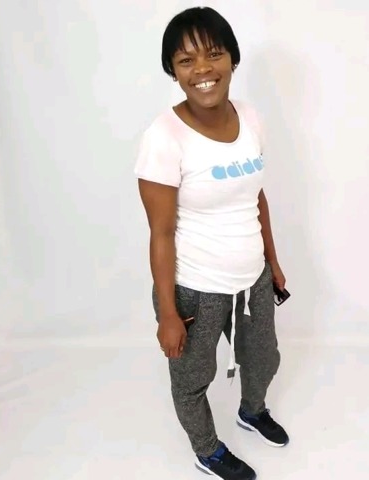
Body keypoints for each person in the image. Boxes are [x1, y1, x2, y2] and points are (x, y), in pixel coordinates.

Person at [134, 7, 289, 480]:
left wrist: (272, 262)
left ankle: (251, 410)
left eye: (214, 54)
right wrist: (167, 313)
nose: (203, 69)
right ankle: (207, 451)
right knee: (192, 379)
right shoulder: (164, 137)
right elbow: (160, 234)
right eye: (186, 60)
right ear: (173, 71)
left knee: (263, 359)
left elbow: (255, 196)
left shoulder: (251, 117)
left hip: (252, 278)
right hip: (195, 289)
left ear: (232, 59)